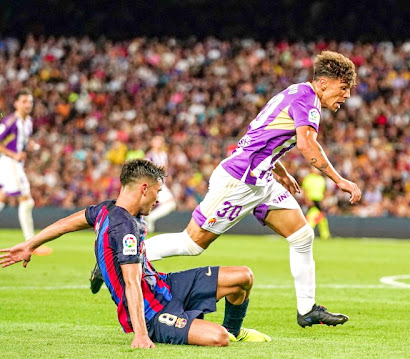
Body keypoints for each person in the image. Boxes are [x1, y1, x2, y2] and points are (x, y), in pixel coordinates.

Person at [102, 51, 361, 328]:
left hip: (261, 181)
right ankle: (117, 256)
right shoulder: (307, 100)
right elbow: (307, 145)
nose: (346, 96)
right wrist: (339, 180)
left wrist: (280, 171)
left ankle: (307, 309)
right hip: (239, 182)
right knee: (191, 244)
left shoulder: (294, 92)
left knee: (302, 237)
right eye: (343, 88)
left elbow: (259, 134)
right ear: (323, 83)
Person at [0, 159, 271, 347]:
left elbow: (63, 225)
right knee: (217, 338)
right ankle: (213, 331)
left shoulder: (104, 210)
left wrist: (29, 245)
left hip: (165, 286)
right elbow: (131, 284)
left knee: (244, 277)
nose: (158, 199)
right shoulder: (125, 228)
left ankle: (236, 332)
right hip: (152, 313)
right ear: (144, 188)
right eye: (157, 191)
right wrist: (141, 334)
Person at [0, 89, 51, 256]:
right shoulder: (10, 122)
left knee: (3, 197)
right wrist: (14, 154)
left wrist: (30, 146)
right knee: (27, 201)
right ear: (16, 103)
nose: (28, 104)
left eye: (30, 101)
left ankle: (31, 243)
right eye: (24, 101)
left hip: (16, 164)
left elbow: (23, 142)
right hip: (9, 163)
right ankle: (31, 244)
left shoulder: (28, 121)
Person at [144, 135, 177, 233]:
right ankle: (150, 219)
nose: (159, 142)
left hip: (162, 184)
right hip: (154, 183)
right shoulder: (149, 156)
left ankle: (149, 220)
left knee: (169, 204)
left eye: (161, 140)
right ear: (152, 143)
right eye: (157, 140)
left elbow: (165, 169)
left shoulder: (163, 154)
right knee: (171, 204)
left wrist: (167, 177)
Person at [301, 168, 332, 240]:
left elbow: (324, 190)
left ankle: (325, 235)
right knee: (314, 217)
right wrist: (307, 200)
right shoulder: (308, 178)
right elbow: (305, 190)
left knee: (320, 217)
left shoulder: (321, 179)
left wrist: (324, 200)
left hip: (319, 200)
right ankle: (310, 234)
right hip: (312, 199)